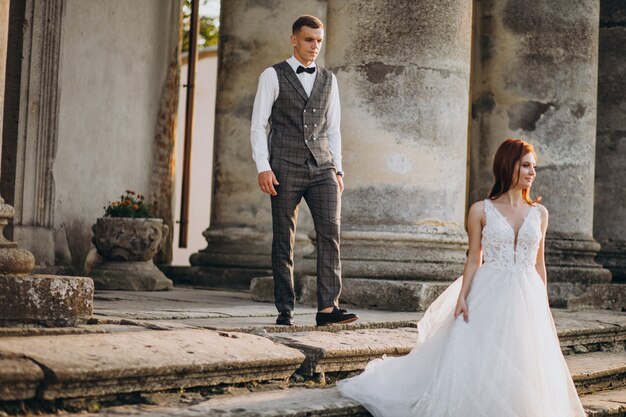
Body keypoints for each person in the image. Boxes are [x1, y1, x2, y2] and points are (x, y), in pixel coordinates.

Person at [338, 139, 585, 417]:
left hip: (528, 293)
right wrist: (463, 297)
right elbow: (473, 258)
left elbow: (540, 263)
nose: (532, 172)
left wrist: (544, 302)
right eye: (525, 165)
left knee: (527, 359)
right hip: (490, 289)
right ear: (508, 165)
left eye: (534, 167)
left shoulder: (540, 213)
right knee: (483, 355)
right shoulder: (481, 210)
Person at [250, 15, 358, 327]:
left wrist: (338, 170)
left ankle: (328, 309)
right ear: (294, 39)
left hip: (323, 166)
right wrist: (263, 167)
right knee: (284, 239)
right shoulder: (272, 75)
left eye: (319, 41)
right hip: (283, 167)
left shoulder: (329, 79)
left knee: (330, 234)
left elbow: (333, 129)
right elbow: (259, 125)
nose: (314, 47)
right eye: (309, 40)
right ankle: (285, 309)